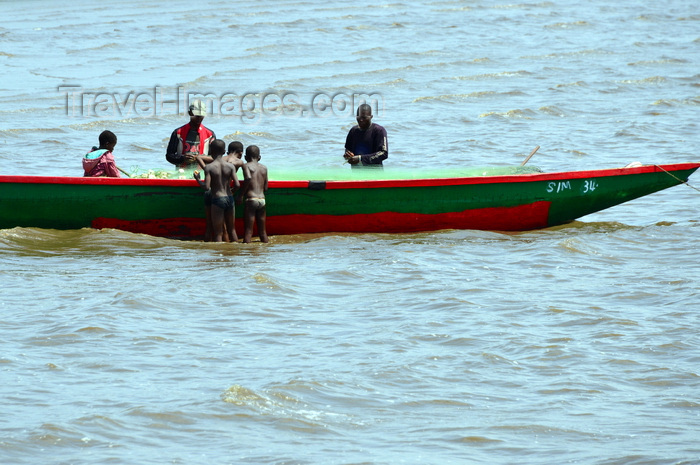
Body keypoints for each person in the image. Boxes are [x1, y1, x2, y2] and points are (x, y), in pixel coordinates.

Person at [193, 139, 239, 242]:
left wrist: (198, 179)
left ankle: (219, 256)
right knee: (232, 230)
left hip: (218, 199)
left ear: (210, 151)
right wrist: (232, 192)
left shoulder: (209, 167)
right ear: (224, 151)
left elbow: (206, 187)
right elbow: (237, 184)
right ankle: (237, 254)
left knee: (218, 232)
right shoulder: (230, 166)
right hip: (230, 199)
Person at [166, 100, 216, 169]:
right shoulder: (178, 133)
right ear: (190, 113)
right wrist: (182, 158)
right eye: (196, 115)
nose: (199, 118)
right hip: (182, 172)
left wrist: (199, 158)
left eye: (201, 116)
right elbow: (169, 156)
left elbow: (215, 158)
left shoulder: (209, 135)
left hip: (202, 172)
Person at [343, 103, 388, 168]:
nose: (361, 120)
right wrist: (348, 155)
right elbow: (347, 150)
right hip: (356, 173)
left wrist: (360, 158)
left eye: (364, 117)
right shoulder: (353, 131)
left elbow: (384, 153)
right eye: (359, 117)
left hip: (374, 173)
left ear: (371, 117)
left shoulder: (379, 131)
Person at [239, 145, 268, 243]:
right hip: (262, 200)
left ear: (246, 157)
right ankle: (266, 254)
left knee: (248, 232)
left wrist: (240, 195)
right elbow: (266, 188)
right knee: (263, 232)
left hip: (251, 199)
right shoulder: (264, 168)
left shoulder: (246, 166)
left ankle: (246, 256)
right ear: (259, 157)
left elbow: (248, 179)